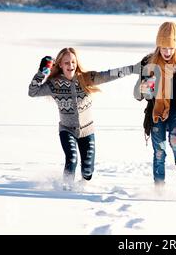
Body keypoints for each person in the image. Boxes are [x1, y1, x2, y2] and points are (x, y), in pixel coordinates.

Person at [28, 47, 138, 190]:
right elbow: (32, 92)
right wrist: (42, 73)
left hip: (87, 131)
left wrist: (132, 69)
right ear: (60, 65)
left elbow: (108, 75)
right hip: (67, 130)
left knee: (87, 170)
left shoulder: (85, 79)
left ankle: (84, 185)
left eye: (73, 62)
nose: (71, 66)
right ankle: (66, 189)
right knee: (71, 158)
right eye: (66, 63)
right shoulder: (54, 84)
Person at [134, 22, 176, 186]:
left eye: (171, 48)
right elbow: (140, 95)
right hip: (157, 111)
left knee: (175, 141)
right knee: (159, 151)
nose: (167, 52)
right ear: (158, 46)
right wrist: (144, 88)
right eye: (164, 48)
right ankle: (159, 186)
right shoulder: (149, 64)